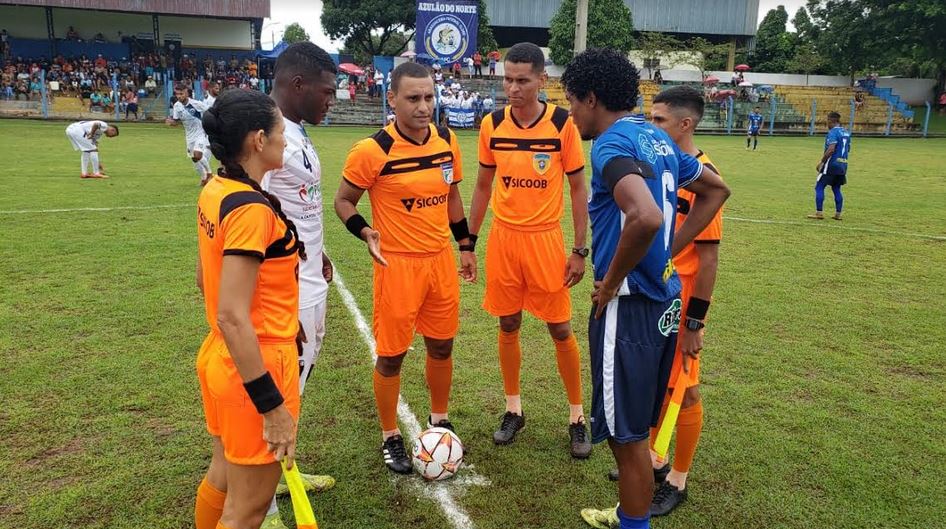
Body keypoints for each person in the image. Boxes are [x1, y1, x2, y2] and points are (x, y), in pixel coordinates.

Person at [561, 48, 729, 529]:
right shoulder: (655, 137)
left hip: (629, 307)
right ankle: (629, 513)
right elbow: (717, 190)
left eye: (572, 102)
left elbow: (647, 215)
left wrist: (610, 282)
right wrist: (670, 249)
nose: (570, 115)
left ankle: (634, 522)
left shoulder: (611, 145)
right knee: (635, 427)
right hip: (664, 303)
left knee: (627, 438)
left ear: (591, 98)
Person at [334, 62, 475, 474]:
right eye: (413, 98)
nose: (423, 106)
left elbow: (451, 197)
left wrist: (465, 245)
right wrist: (365, 232)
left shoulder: (447, 140)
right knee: (392, 356)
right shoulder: (372, 151)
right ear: (391, 98)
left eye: (429, 97)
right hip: (397, 268)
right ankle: (390, 434)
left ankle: (439, 420)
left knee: (442, 345)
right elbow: (343, 201)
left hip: (439, 265)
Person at [596, 86, 726, 521]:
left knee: (682, 392)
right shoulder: (654, 158)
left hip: (672, 298)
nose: (651, 127)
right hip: (660, 291)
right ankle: (650, 466)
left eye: (660, 120)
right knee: (649, 402)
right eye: (648, 118)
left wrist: (696, 319)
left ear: (685, 124)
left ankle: (677, 479)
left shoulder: (697, 168)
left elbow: (708, 257)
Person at [468, 42, 591, 458]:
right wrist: (468, 242)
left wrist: (579, 249)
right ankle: (513, 409)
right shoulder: (492, 124)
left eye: (522, 80)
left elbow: (578, 188)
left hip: (545, 239)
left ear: (542, 79)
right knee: (507, 324)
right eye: (508, 78)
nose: (513, 87)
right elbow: (483, 185)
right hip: (504, 239)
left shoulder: (562, 124)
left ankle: (577, 416)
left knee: (560, 327)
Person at [193, 88, 301, 529]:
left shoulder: (217, 188)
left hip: (221, 356)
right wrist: (271, 407)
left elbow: (206, 278)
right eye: (280, 133)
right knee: (248, 509)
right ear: (259, 140)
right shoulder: (252, 210)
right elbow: (233, 314)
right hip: (256, 366)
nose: (285, 142)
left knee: (223, 477)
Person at [259, 42, 338, 528]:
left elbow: (298, 204)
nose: (333, 99)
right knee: (276, 396)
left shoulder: (297, 131)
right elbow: (255, 210)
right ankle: (261, 504)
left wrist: (319, 249)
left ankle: (285, 470)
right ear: (297, 85)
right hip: (287, 292)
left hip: (311, 282)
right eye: (327, 91)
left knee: (293, 391)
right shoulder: (265, 135)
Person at [166, 85, 213, 185]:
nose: (179, 96)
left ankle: (210, 173)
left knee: (197, 154)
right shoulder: (177, 106)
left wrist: (208, 123)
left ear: (187, 93)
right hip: (189, 136)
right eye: (177, 94)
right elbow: (176, 122)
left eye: (181, 94)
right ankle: (204, 177)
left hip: (200, 133)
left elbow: (210, 111)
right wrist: (171, 122)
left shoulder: (196, 104)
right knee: (194, 158)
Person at [808, 111, 851, 221]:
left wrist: (822, 162)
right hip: (843, 164)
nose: (826, 123)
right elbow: (848, 149)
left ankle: (819, 213)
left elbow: (831, 149)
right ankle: (838, 214)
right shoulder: (846, 132)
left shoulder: (833, 132)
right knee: (836, 188)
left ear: (831, 121)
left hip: (831, 164)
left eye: (827, 120)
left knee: (819, 186)